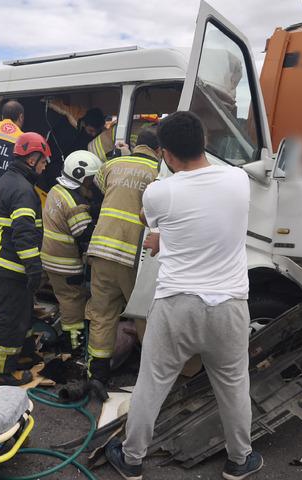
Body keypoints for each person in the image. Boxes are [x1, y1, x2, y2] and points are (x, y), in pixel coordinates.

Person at [105, 111, 261, 480]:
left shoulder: (161, 192)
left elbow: (148, 219)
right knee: (234, 385)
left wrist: (163, 236)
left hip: (176, 305)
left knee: (152, 383)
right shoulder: (239, 180)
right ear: (204, 141)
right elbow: (205, 220)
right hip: (229, 305)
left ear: (166, 154)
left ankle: (131, 459)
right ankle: (240, 459)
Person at [84, 127, 160, 398]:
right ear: (159, 150)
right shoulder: (158, 174)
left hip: (101, 250)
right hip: (131, 257)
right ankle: (151, 380)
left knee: (102, 314)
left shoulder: (112, 164)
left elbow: (102, 187)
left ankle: (98, 375)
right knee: (142, 316)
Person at [0, 132, 50, 385]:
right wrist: (34, 269)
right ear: (32, 159)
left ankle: (21, 355)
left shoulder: (6, 180)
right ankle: (0, 371)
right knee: (10, 321)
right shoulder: (23, 191)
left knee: (21, 315)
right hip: (10, 268)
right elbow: (24, 235)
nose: (45, 166)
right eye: (43, 161)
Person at [41, 150, 102, 355]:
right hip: (65, 263)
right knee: (72, 301)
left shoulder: (57, 190)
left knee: (64, 297)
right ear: (82, 178)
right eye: (91, 178)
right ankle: (73, 345)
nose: (93, 183)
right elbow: (84, 234)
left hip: (49, 256)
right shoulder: (76, 204)